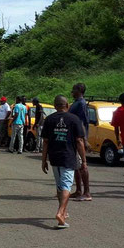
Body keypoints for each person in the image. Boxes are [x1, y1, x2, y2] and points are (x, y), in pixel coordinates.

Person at [40, 95, 87, 229]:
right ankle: (60, 213)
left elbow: (45, 142)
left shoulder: (49, 119)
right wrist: (84, 160)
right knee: (66, 185)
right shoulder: (74, 119)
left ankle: (64, 211)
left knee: (60, 185)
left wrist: (43, 160)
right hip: (68, 156)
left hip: (54, 157)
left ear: (55, 106)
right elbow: (79, 141)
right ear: (67, 105)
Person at [68, 83, 92, 201]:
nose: (72, 92)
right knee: (76, 166)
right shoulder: (77, 103)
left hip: (79, 138)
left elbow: (83, 122)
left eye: (73, 89)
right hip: (73, 137)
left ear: (79, 90)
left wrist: (84, 139)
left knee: (83, 164)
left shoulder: (81, 104)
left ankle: (86, 192)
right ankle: (78, 191)